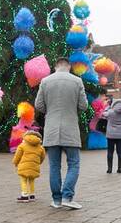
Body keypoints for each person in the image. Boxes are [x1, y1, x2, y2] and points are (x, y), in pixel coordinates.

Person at [34, 56, 88, 209]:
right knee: (74, 163)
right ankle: (67, 196)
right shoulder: (77, 81)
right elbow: (83, 106)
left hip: (51, 128)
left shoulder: (45, 81)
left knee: (54, 166)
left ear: (55, 66)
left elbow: (38, 105)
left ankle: (57, 200)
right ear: (68, 67)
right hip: (70, 128)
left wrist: (49, 111)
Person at [12, 126, 45, 201]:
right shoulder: (40, 147)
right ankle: (32, 195)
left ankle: (25, 195)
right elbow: (42, 157)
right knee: (31, 180)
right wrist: (38, 163)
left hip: (24, 166)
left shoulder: (22, 145)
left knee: (23, 180)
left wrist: (15, 162)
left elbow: (17, 156)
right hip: (34, 166)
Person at [104, 96, 121, 173]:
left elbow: (103, 114)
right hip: (120, 135)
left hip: (111, 135)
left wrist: (108, 107)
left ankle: (109, 169)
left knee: (110, 152)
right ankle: (120, 168)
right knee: (120, 152)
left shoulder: (110, 112)